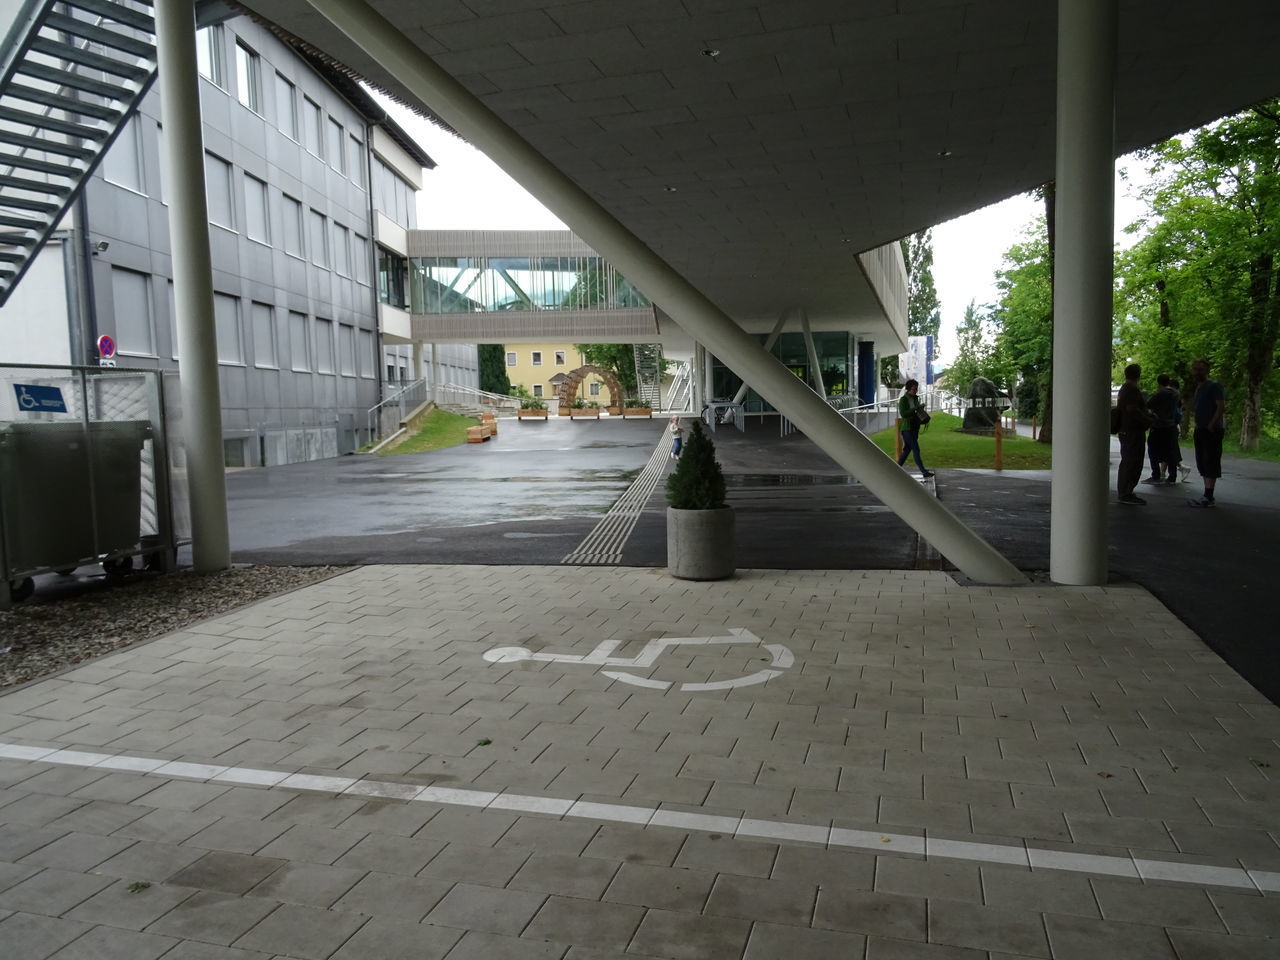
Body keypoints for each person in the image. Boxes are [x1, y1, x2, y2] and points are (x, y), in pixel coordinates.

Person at [1188, 358, 1225, 507]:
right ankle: (1207, 495)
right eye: (1195, 369)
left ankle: (1209, 496)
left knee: (1210, 460)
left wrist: (1211, 425)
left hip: (1211, 430)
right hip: (1200, 428)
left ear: (1207, 371)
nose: (1197, 372)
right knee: (1202, 461)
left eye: (1200, 370)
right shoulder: (1198, 387)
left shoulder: (1214, 386)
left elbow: (1220, 406)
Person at [1116, 363, 1151, 505]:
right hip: (1132, 430)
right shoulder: (1131, 389)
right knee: (1132, 461)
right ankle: (1126, 492)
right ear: (1138, 374)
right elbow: (1132, 409)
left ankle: (1126, 491)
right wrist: (1147, 419)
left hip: (1127, 429)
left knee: (1129, 460)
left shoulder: (1125, 389)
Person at [1142, 374, 1181, 484]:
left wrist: (1152, 414)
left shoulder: (1160, 394)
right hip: (1171, 426)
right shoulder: (1175, 394)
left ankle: (1156, 475)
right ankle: (1172, 477)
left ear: (1158, 382)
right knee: (1170, 451)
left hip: (1159, 426)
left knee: (1152, 450)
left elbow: (1148, 405)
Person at [896, 379, 935, 479]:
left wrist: (920, 410)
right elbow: (903, 413)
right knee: (916, 449)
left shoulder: (915, 399)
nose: (915, 390)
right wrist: (916, 408)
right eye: (913, 389)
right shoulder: (904, 399)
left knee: (907, 450)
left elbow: (915, 412)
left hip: (914, 427)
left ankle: (895, 469)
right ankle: (923, 471)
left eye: (916, 388)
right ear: (908, 389)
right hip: (907, 428)